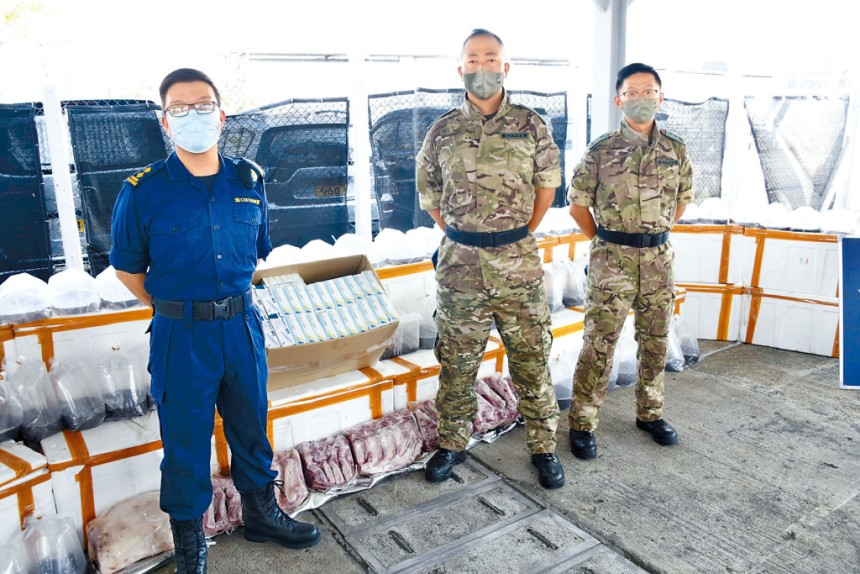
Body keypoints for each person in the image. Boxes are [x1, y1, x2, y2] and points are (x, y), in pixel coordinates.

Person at [110, 68, 321, 573]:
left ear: (221, 115)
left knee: (251, 425)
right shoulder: (143, 191)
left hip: (242, 327)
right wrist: (175, 308)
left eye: (202, 105)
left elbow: (258, 254)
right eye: (179, 109)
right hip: (180, 336)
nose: (192, 116)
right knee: (185, 439)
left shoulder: (248, 180)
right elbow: (126, 268)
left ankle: (262, 514)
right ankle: (190, 543)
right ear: (165, 122)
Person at [416, 29, 564, 490]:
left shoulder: (531, 124)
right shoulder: (441, 130)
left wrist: (515, 233)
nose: (483, 66)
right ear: (461, 69)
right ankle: (453, 443)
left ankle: (543, 447)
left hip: (517, 264)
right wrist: (464, 236)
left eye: (491, 58)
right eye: (473, 59)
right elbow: (430, 196)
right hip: (460, 267)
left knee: (531, 358)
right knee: (457, 362)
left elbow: (547, 188)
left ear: (505, 67)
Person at [567, 63, 694, 460]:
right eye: (632, 92)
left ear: (661, 96)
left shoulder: (676, 149)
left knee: (655, 342)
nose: (642, 99)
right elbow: (578, 207)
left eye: (649, 91)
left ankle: (650, 413)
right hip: (612, 263)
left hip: (658, 260)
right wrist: (611, 242)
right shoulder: (601, 150)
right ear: (618, 99)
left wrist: (649, 237)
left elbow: (682, 202)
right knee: (599, 345)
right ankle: (582, 423)